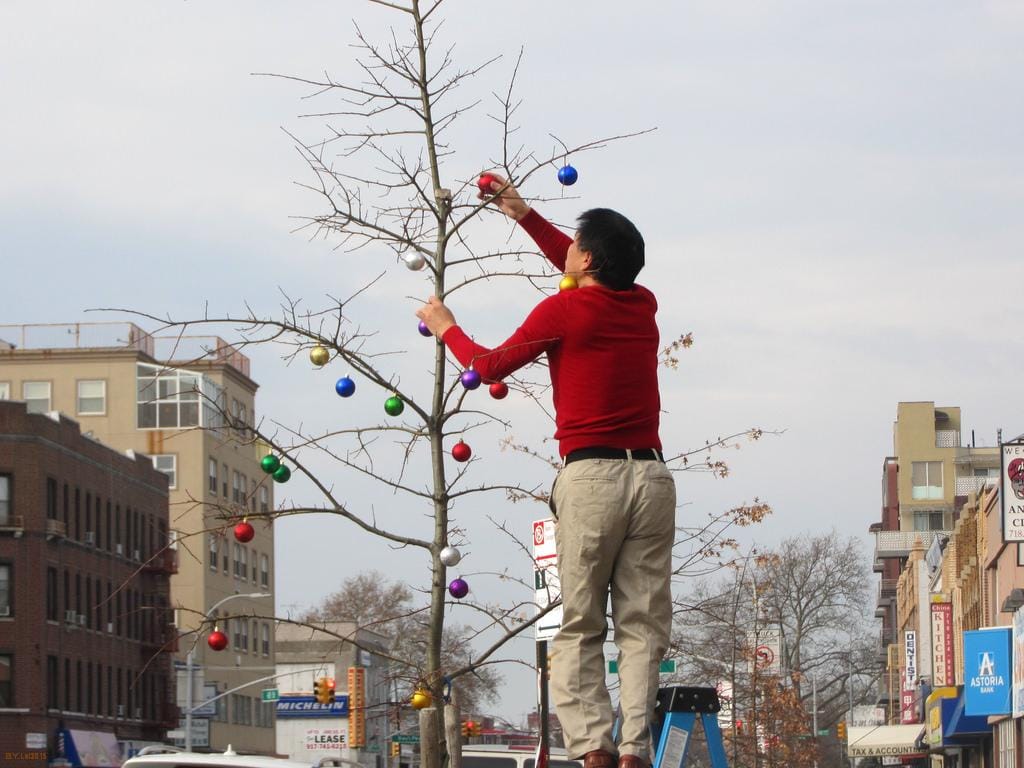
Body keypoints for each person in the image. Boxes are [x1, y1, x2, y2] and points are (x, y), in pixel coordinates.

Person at [416, 175, 676, 768]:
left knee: (579, 624)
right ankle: (635, 750)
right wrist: (521, 213)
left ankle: (593, 750)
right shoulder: (643, 305)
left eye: (575, 245)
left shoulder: (565, 309)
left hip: (591, 479)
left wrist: (444, 324)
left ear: (585, 258)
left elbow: (487, 366)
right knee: (641, 626)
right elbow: (583, 259)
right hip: (653, 479)